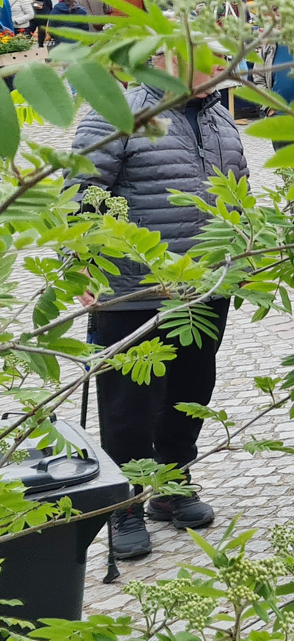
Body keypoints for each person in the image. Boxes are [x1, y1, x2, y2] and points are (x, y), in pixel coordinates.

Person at [74, 60, 248, 560]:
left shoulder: (221, 116)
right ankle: (124, 504)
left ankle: (171, 485)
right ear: (162, 59)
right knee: (130, 402)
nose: (217, 68)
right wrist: (81, 261)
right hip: (136, 286)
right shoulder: (114, 112)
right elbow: (84, 192)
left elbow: (240, 191)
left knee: (191, 388)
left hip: (207, 288)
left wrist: (246, 250)